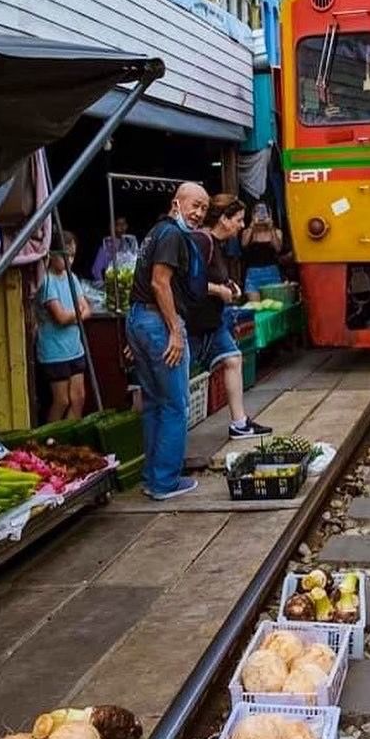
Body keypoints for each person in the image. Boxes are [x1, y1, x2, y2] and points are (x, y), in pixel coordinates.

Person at [126, 183, 209, 501]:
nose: (199, 213)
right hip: (158, 322)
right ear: (177, 204)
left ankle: (152, 478)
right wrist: (175, 330)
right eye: (195, 205)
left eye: (204, 208)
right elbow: (159, 283)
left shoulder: (156, 232)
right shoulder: (172, 235)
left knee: (154, 403)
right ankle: (165, 483)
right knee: (175, 405)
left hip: (140, 318)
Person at [187, 196, 272, 441]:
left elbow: (213, 277)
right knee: (178, 379)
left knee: (233, 359)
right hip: (193, 323)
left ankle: (239, 423)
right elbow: (187, 281)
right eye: (238, 219)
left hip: (212, 320)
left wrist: (229, 285)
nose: (242, 225)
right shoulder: (201, 241)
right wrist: (219, 290)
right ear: (224, 219)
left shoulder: (218, 244)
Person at [36, 231, 91, 422]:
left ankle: (70, 438)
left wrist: (74, 315)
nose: (69, 260)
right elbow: (60, 317)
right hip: (55, 351)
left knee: (78, 398)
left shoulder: (72, 278)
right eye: (65, 256)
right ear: (51, 255)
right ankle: (51, 437)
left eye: (72, 256)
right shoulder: (46, 281)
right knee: (62, 401)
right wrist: (78, 314)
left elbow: (87, 309)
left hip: (74, 348)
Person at [241, 203, 284, 301]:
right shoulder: (248, 232)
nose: (261, 216)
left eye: (263, 213)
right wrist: (252, 226)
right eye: (258, 212)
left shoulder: (277, 232)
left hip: (272, 272)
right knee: (254, 306)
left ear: (269, 214)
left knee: (273, 305)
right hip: (253, 273)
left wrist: (271, 228)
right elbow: (244, 244)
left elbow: (278, 248)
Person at [91, 216, 135, 283]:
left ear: (127, 226)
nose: (122, 228)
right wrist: (103, 284)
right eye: (118, 224)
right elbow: (96, 270)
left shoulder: (130, 244)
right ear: (112, 227)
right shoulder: (106, 246)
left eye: (123, 224)